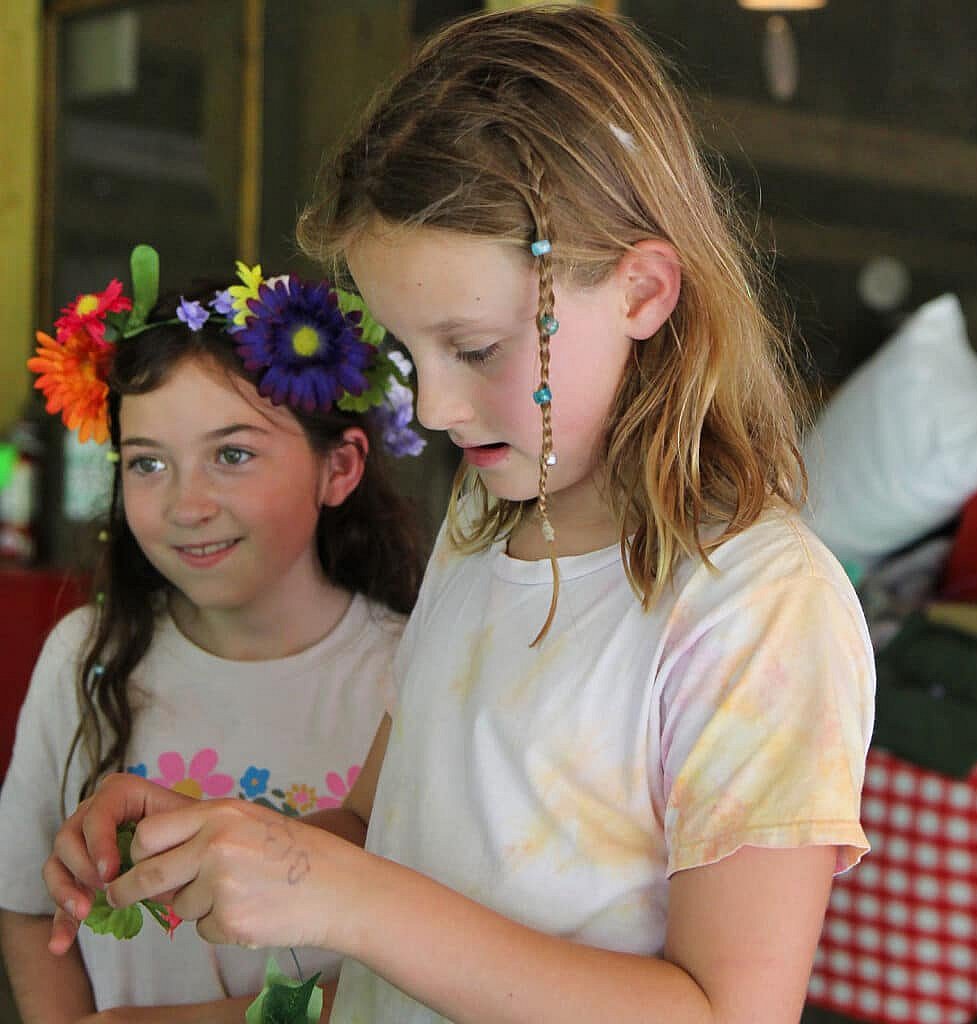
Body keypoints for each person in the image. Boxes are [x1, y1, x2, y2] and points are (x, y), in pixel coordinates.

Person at [43, 7, 876, 1022]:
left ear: (642, 290)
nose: (433, 408)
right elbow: (384, 833)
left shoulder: (760, 603)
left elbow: (726, 1010)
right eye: (408, 354)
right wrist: (232, 840)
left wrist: (340, 893)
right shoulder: (486, 522)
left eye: (475, 349)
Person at [0, 248, 425, 1022]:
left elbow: (434, 970)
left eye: (232, 455)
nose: (185, 505)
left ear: (341, 467)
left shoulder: (412, 678)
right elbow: (29, 904)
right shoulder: (82, 657)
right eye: (147, 464)